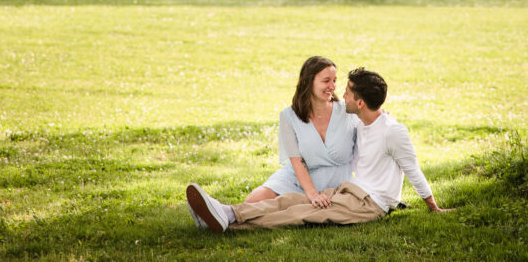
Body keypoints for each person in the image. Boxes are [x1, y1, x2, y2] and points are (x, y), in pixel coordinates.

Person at [185, 67, 449, 232]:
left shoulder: (393, 131)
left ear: (359, 102)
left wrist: (433, 207)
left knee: (301, 213)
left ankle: (229, 222)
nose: (340, 94)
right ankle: (227, 212)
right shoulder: (361, 121)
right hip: (351, 191)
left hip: (371, 203)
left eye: (346, 91)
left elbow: (412, 169)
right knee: (292, 200)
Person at [187, 55, 358, 229]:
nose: (332, 86)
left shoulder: (348, 112)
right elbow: (296, 161)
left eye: (335, 80)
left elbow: (372, 121)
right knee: (253, 201)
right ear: (308, 82)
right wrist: (312, 194)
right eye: (326, 81)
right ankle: (218, 215)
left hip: (332, 180)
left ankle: (219, 215)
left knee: (278, 212)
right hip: (296, 177)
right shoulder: (289, 116)